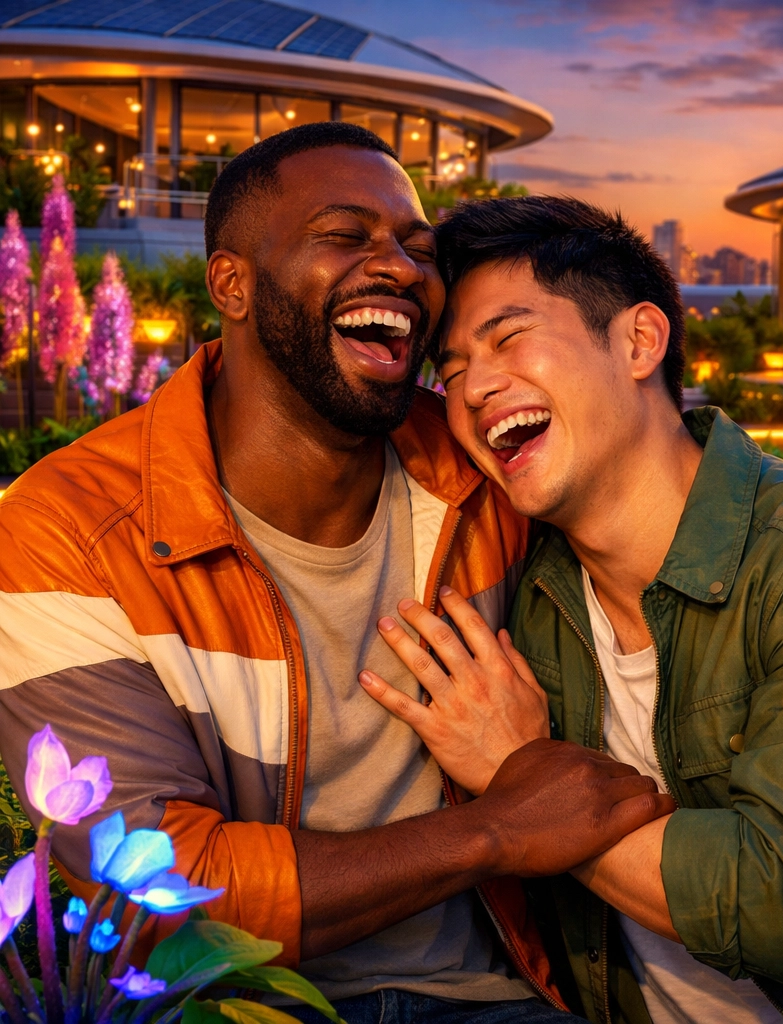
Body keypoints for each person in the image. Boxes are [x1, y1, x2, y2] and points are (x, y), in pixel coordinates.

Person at [0, 127, 676, 1024]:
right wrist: (496, 830)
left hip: (499, 994)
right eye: (345, 235)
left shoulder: (482, 467)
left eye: (417, 248)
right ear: (231, 284)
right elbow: (150, 894)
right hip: (241, 1007)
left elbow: (654, 504)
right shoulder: (67, 533)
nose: (398, 267)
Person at [361, 196, 783, 1024]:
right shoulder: (527, 600)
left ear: (640, 340)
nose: (474, 388)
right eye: (452, 369)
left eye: (508, 337)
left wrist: (521, 779)